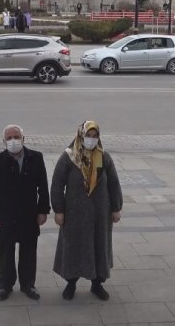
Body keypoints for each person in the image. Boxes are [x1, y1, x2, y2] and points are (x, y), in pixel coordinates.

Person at [51, 121, 122, 301]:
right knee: (73, 247)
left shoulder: (104, 157)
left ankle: (97, 284)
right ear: (80, 135)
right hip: (74, 214)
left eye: (94, 136)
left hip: (100, 213)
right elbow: (57, 184)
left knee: (99, 247)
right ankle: (71, 283)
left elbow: (113, 183)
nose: (91, 140)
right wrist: (58, 210)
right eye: (88, 136)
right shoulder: (69, 157)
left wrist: (116, 208)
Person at [0, 124, 50, 301]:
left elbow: (43, 187)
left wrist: (43, 210)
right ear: (4, 141)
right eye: (9, 138)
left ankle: (28, 284)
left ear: (23, 139)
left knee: (29, 250)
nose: (13, 141)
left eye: (16, 137)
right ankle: (5, 285)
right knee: (6, 250)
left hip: (29, 214)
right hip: (5, 215)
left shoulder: (36, 158)